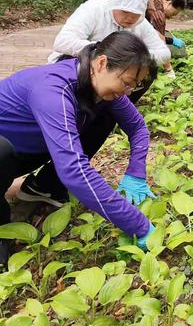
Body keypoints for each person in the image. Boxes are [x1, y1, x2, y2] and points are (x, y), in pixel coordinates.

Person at [0, 32, 159, 264]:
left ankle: (43, 187)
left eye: (132, 87)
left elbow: (137, 127)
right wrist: (138, 225)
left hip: (30, 148)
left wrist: (136, 171)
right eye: (126, 83)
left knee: (104, 115)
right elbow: (75, 171)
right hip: (7, 151)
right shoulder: (54, 90)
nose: (126, 93)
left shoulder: (96, 83)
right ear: (102, 63)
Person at [145, 0, 186, 77]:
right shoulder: (157, 9)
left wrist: (172, 40)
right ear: (169, 3)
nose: (172, 17)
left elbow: (154, 33)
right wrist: (169, 69)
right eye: (174, 13)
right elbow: (160, 42)